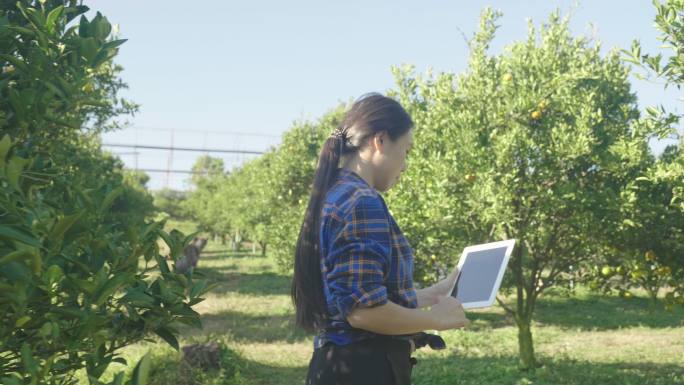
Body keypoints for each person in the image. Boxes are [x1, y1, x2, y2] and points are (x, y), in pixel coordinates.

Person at [291, 92, 470, 385]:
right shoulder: (362, 201)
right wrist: (436, 318)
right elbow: (363, 313)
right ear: (381, 140)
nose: (405, 164)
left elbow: (354, 294)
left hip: (337, 364)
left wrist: (430, 294)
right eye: (407, 150)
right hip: (365, 369)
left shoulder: (334, 192)